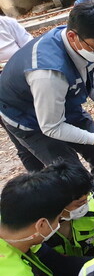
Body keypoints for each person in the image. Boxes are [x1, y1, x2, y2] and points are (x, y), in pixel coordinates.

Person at [0, 2, 94, 213]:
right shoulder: (48, 73)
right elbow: (52, 127)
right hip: (29, 120)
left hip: (63, 104)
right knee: (78, 180)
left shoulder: (81, 44)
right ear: (73, 36)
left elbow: (92, 81)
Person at [40, 162, 94, 257]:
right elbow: (55, 262)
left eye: (88, 197)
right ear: (57, 203)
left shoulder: (92, 208)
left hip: (90, 247)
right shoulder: (34, 223)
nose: (86, 204)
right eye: (80, 203)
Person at [0, 15, 45, 172]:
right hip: (4, 100)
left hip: (28, 86)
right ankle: (41, 186)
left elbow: (32, 49)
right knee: (24, 144)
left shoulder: (7, 24)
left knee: (53, 130)